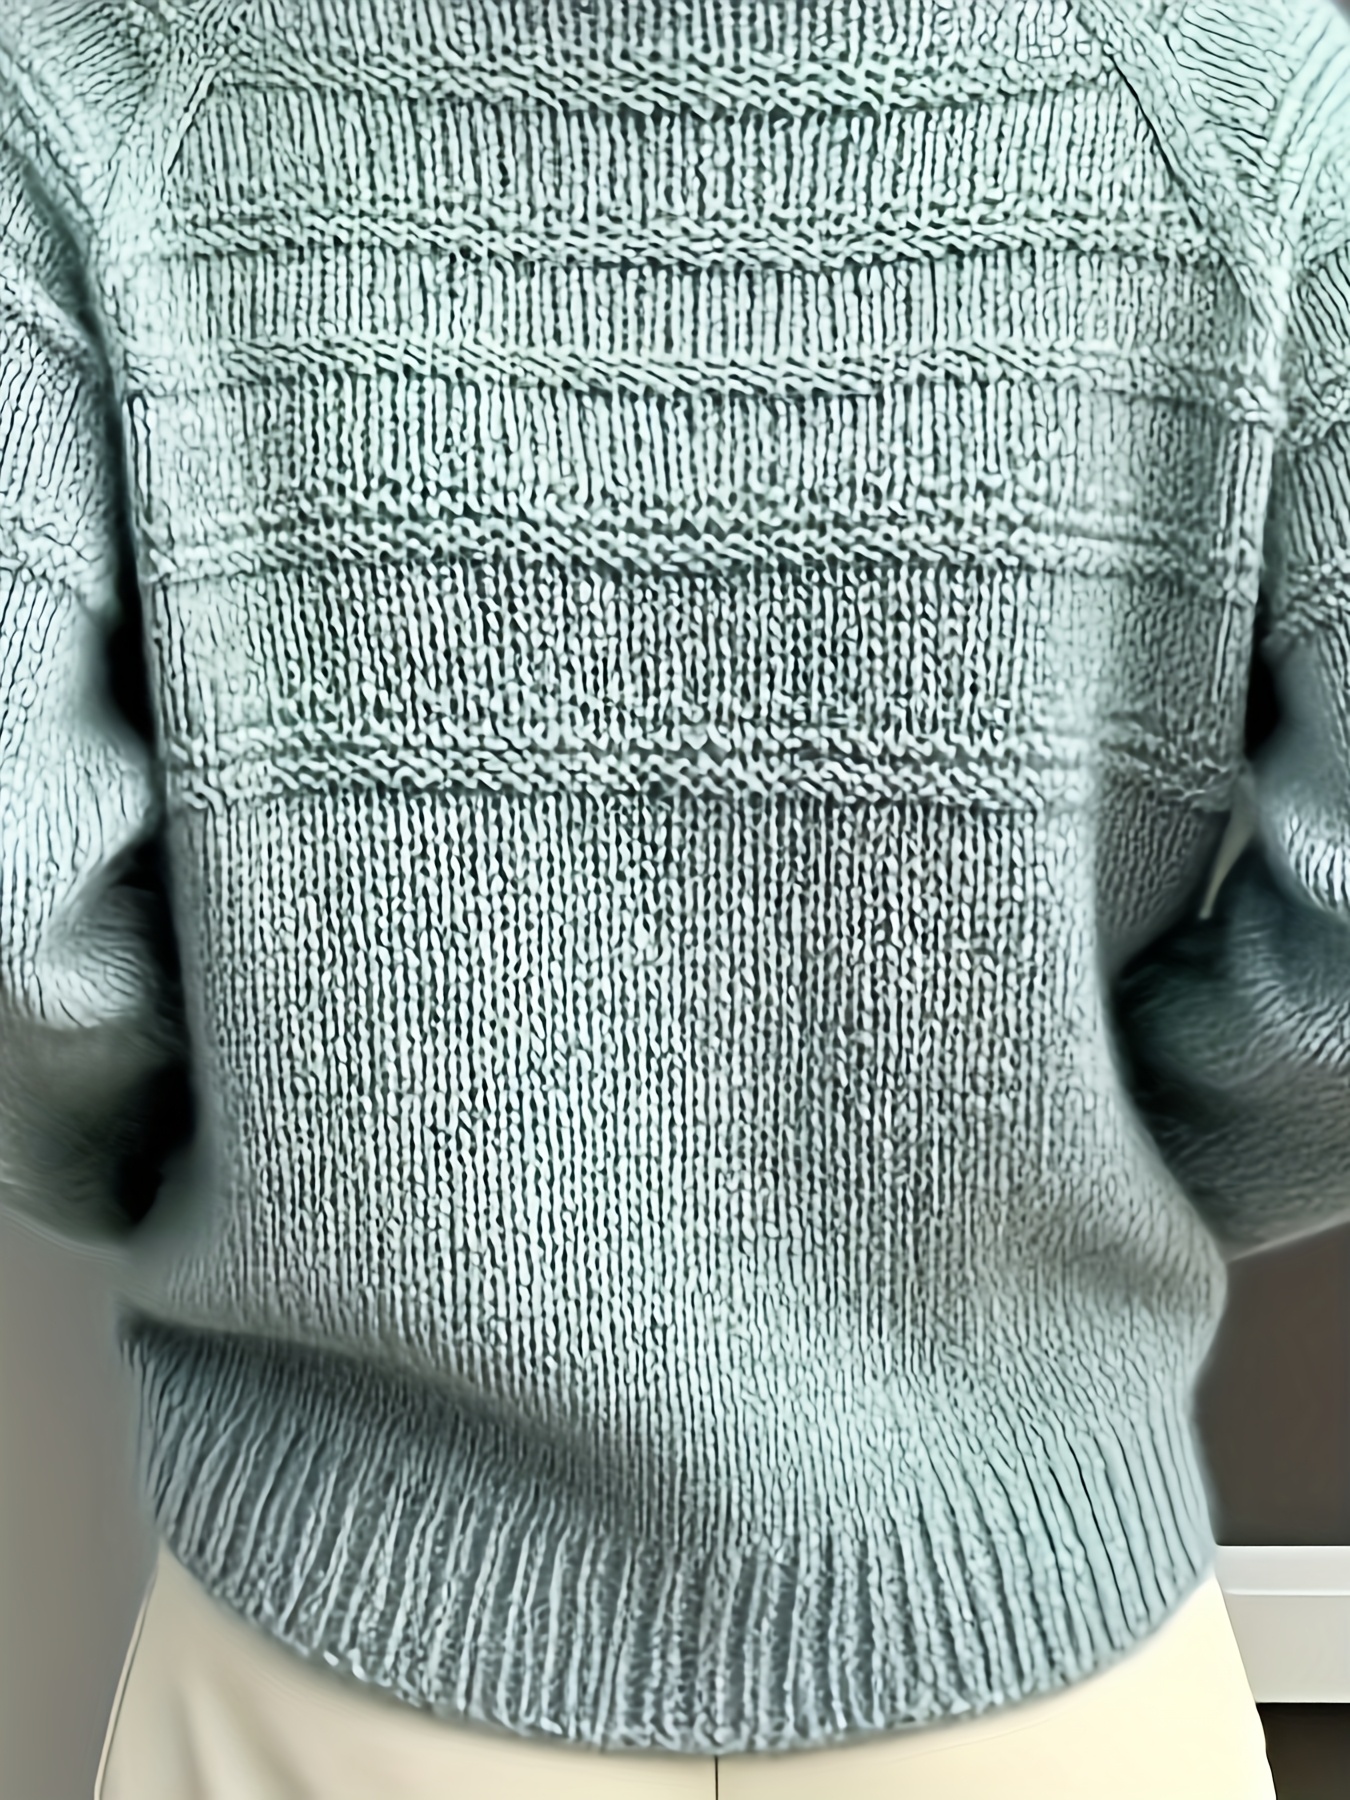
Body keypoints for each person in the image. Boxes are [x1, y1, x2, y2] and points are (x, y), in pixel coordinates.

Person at [4, 0, 1348, 1792]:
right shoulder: (1245, 94)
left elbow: (11, 907)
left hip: (329, 1666)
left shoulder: (112, 76)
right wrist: (1091, 1151)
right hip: (1030, 1658)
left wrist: (265, 1136)